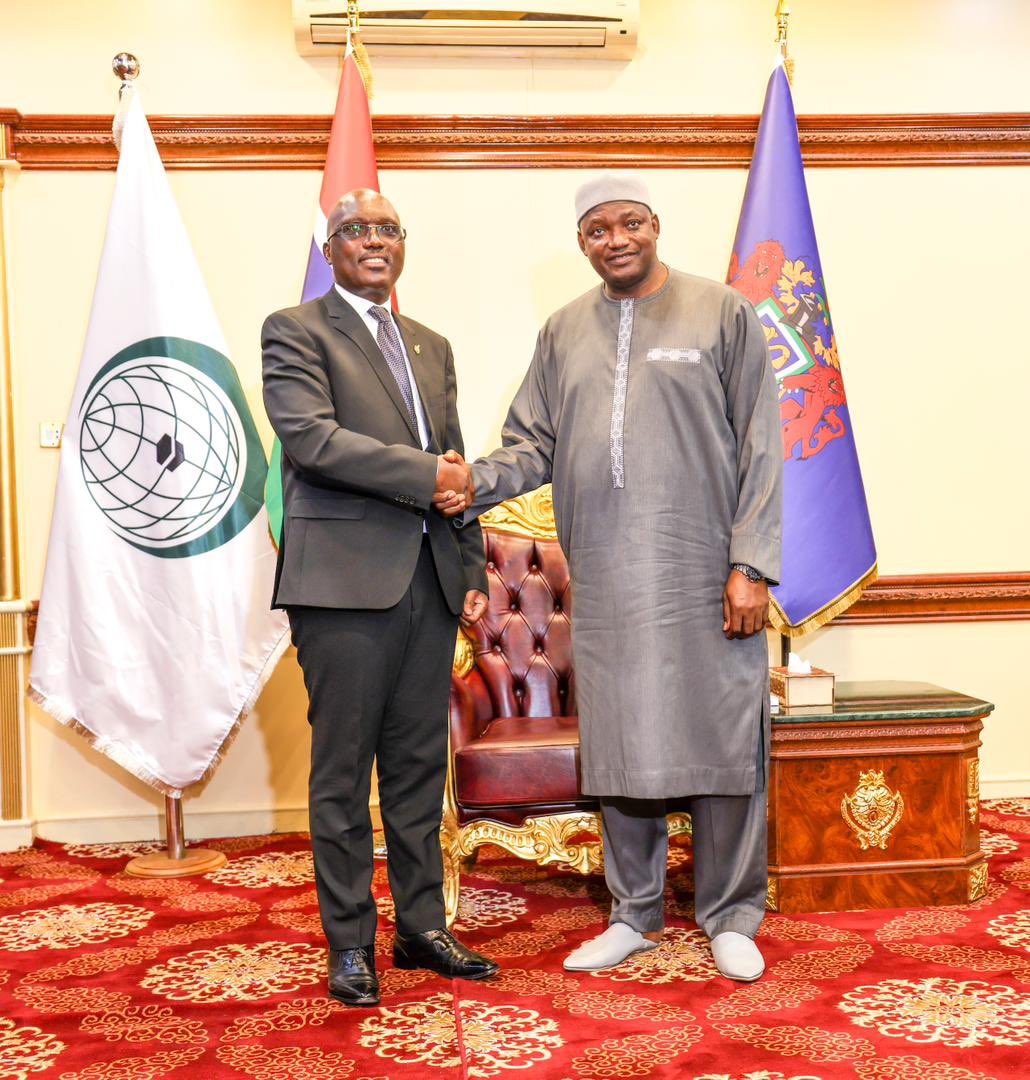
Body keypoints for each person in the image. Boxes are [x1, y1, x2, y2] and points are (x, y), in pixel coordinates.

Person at [441, 172, 782, 982]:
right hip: (610, 573)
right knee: (624, 743)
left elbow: (763, 447)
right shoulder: (565, 331)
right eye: (599, 230)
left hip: (707, 572)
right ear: (584, 243)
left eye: (630, 223)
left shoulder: (720, 312)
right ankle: (633, 913)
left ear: (655, 225)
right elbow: (530, 443)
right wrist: (469, 481)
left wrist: (751, 565)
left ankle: (731, 914)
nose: (617, 239)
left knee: (723, 738)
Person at [261, 188, 497, 1007]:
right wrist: (427, 475)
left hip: (428, 585)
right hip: (342, 588)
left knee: (417, 766)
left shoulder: (431, 346)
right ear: (330, 249)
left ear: (404, 246)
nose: (374, 240)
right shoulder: (294, 331)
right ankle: (350, 943)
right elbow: (311, 440)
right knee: (341, 774)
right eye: (355, 230)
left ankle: (422, 929)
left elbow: (457, 463)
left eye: (389, 229)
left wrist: (468, 573)